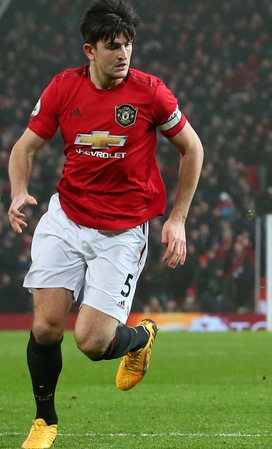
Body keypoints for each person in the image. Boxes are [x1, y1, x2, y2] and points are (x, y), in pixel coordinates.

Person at [6, 1, 204, 447]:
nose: (124, 53)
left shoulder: (151, 93)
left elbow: (193, 149)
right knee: (45, 327)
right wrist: (19, 191)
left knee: (92, 343)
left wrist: (178, 218)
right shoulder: (63, 89)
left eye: (128, 44)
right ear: (89, 50)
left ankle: (139, 338)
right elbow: (24, 148)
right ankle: (45, 421)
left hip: (122, 231)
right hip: (67, 217)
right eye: (113, 46)